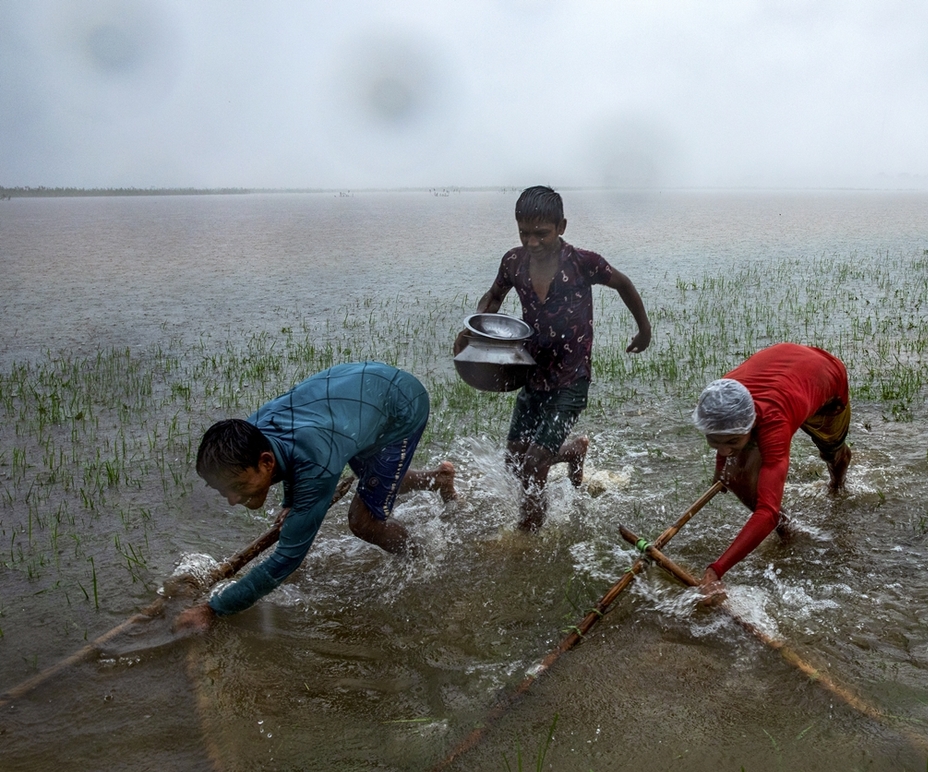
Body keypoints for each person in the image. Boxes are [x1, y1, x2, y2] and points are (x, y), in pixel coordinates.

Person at [174, 362, 457, 631]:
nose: (232, 500)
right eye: (222, 490)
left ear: (265, 463)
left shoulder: (316, 462)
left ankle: (421, 556)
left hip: (399, 404)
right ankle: (439, 480)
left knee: (363, 521)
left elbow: (286, 559)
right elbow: (288, 451)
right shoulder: (249, 436)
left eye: (236, 486)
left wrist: (213, 609)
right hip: (354, 397)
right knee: (374, 477)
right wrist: (290, 502)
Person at [454, 186, 652, 531]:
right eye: (524, 233)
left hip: (571, 380)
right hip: (532, 372)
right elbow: (494, 297)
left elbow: (623, 283)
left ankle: (527, 535)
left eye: (541, 233)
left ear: (561, 226)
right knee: (515, 461)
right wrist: (473, 329)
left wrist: (644, 330)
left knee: (532, 465)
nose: (532, 242)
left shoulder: (582, 262)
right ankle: (573, 452)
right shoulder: (513, 262)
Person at [691, 343, 852, 603]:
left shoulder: (773, 422)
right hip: (785, 367)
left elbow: (766, 510)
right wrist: (722, 472)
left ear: (752, 423)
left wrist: (717, 569)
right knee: (736, 477)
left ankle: (837, 484)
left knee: (831, 453)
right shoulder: (720, 396)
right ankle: (786, 528)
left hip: (826, 378)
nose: (723, 450)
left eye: (731, 442)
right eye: (714, 441)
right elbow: (724, 437)